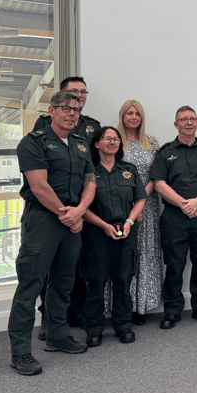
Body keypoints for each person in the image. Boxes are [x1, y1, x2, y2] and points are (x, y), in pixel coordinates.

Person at [8, 90, 95, 376]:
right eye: (66, 108)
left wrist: (79, 211)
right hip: (43, 219)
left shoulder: (81, 144)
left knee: (63, 282)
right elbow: (39, 186)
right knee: (30, 285)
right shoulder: (34, 143)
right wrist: (67, 215)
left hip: (71, 220)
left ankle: (57, 336)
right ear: (51, 111)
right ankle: (20, 352)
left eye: (77, 109)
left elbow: (90, 182)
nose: (72, 113)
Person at [33, 77, 101, 339]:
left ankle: (77, 312)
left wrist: (82, 208)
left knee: (81, 262)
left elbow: (91, 169)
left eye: (83, 92)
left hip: (85, 204)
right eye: (74, 92)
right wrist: (65, 211)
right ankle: (49, 318)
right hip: (52, 206)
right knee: (52, 266)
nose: (80, 96)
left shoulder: (92, 126)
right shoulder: (44, 124)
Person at [151, 106, 197, 329]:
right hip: (175, 216)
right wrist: (184, 204)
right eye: (183, 119)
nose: (188, 123)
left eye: (192, 119)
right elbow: (158, 183)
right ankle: (172, 309)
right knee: (174, 264)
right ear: (176, 124)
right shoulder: (165, 152)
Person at [81, 127, 147, 346]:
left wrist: (129, 222)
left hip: (126, 231)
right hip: (97, 233)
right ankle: (94, 328)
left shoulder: (129, 169)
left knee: (123, 279)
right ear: (97, 143)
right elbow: (82, 206)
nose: (112, 142)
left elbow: (140, 199)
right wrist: (102, 225)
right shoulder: (88, 171)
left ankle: (123, 325)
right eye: (107, 138)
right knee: (96, 280)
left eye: (116, 139)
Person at [116, 100, 162, 326]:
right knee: (125, 255)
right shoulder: (114, 140)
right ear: (122, 116)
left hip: (148, 205)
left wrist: (141, 200)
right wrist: (133, 203)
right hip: (121, 205)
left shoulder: (151, 142)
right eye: (129, 113)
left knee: (145, 254)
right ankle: (123, 305)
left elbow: (157, 175)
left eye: (137, 114)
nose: (133, 117)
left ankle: (140, 306)